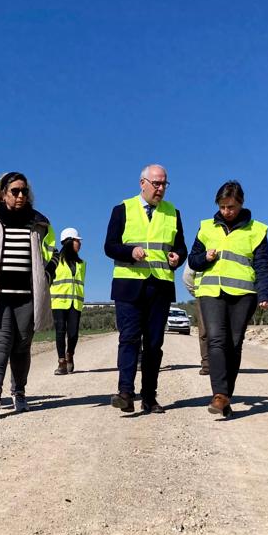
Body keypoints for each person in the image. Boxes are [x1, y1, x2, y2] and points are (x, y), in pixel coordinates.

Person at [0, 172, 58, 417]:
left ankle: (19, 392)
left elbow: (53, 253)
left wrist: (47, 275)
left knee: (21, 345)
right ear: (2, 193)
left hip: (27, 295)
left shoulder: (40, 222)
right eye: (14, 191)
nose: (20, 196)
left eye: (23, 191)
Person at [104, 164, 188, 413]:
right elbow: (109, 246)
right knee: (129, 339)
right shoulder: (122, 210)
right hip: (128, 285)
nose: (161, 188)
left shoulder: (173, 213)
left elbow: (181, 247)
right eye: (156, 184)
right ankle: (125, 393)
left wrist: (177, 258)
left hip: (160, 286)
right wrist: (129, 251)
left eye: (164, 184)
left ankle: (149, 397)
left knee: (153, 344)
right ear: (143, 183)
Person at [187, 180, 268, 417]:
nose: (227, 211)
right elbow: (193, 261)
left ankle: (225, 397)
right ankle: (219, 394)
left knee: (233, 345)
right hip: (211, 293)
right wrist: (204, 257)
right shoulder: (206, 227)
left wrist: (265, 293)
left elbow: (263, 266)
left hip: (243, 295)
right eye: (223, 207)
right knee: (216, 340)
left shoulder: (257, 230)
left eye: (231, 206)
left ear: (241, 203)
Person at [50, 227, 86, 375]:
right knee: (60, 332)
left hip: (75, 303)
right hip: (58, 302)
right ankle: (61, 363)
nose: (80, 244)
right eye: (78, 241)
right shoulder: (55, 260)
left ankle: (69, 354)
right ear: (70, 241)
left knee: (73, 333)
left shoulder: (82, 263)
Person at [182, 264, 210, 375]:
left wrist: (195, 292)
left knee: (204, 333)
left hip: (203, 295)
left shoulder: (199, 248)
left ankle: (207, 365)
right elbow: (187, 276)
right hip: (224, 295)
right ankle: (223, 365)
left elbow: (187, 276)